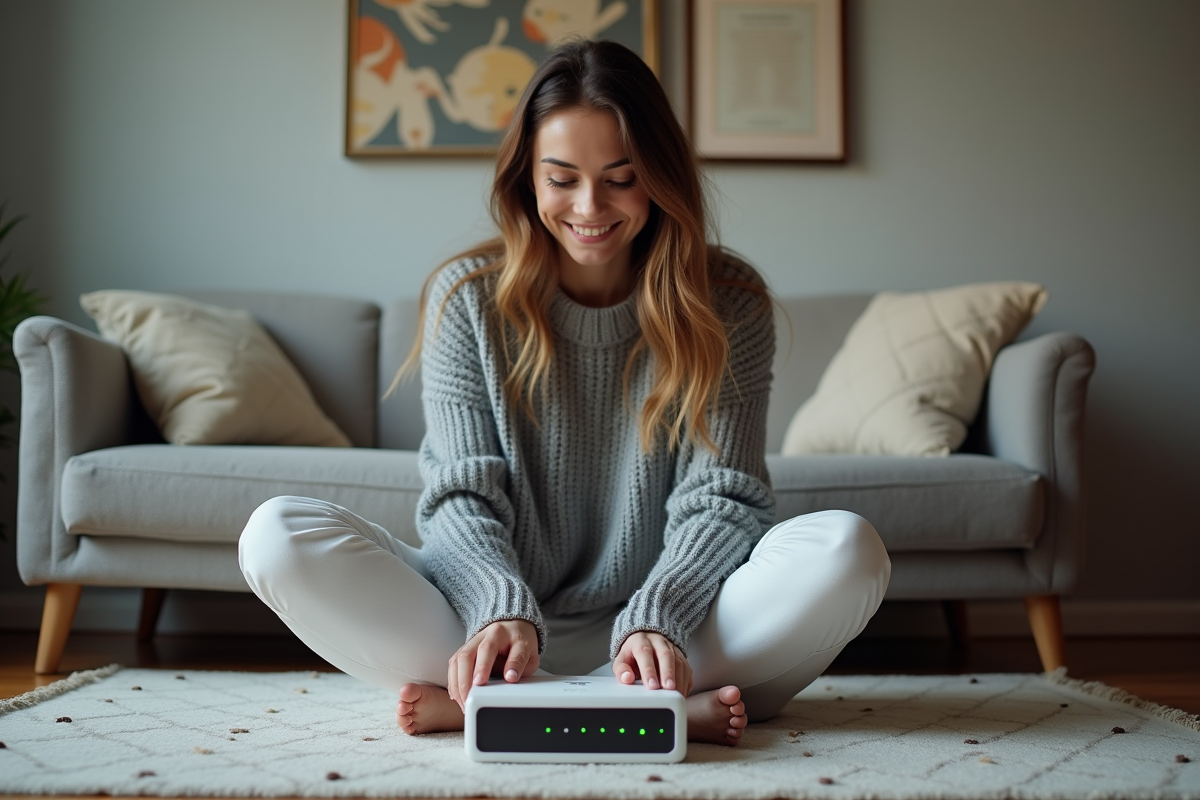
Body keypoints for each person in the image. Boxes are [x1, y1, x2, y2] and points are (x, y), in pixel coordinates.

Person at [238, 40, 890, 747]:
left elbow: (724, 498)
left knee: (848, 550)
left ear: (661, 177)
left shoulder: (728, 301)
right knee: (276, 537)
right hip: (493, 629)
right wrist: (496, 610)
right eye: (562, 179)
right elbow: (463, 497)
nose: (589, 207)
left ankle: (510, 708)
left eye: (621, 177)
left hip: (679, 631)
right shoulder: (468, 302)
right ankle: (649, 713)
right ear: (527, 181)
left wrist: (658, 617)